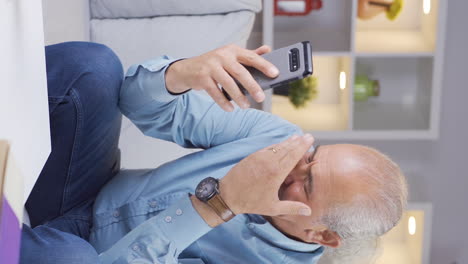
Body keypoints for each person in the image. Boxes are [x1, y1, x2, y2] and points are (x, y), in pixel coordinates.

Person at [20, 42, 407, 264]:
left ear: (322, 234)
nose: (291, 166)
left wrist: (217, 206)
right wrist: (183, 74)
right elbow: (137, 102)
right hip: (88, 188)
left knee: (69, 258)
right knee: (93, 67)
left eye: (306, 185)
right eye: (311, 158)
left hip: (93, 253)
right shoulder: (281, 139)